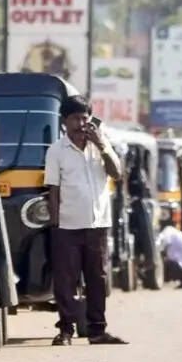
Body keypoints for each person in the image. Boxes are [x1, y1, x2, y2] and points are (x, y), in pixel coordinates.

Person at [43, 95, 126, 346]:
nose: (81, 123)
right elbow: (53, 189)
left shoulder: (100, 145)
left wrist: (101, 145)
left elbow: (117, 174)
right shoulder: (56, 150)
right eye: (75, 118)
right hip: (67, 226)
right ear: (64, 121)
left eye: (85, 118)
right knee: (66, 281)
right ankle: (66, 330)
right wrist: (56, 223)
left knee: (97, 280)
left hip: (97, 224)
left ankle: (97, 330)